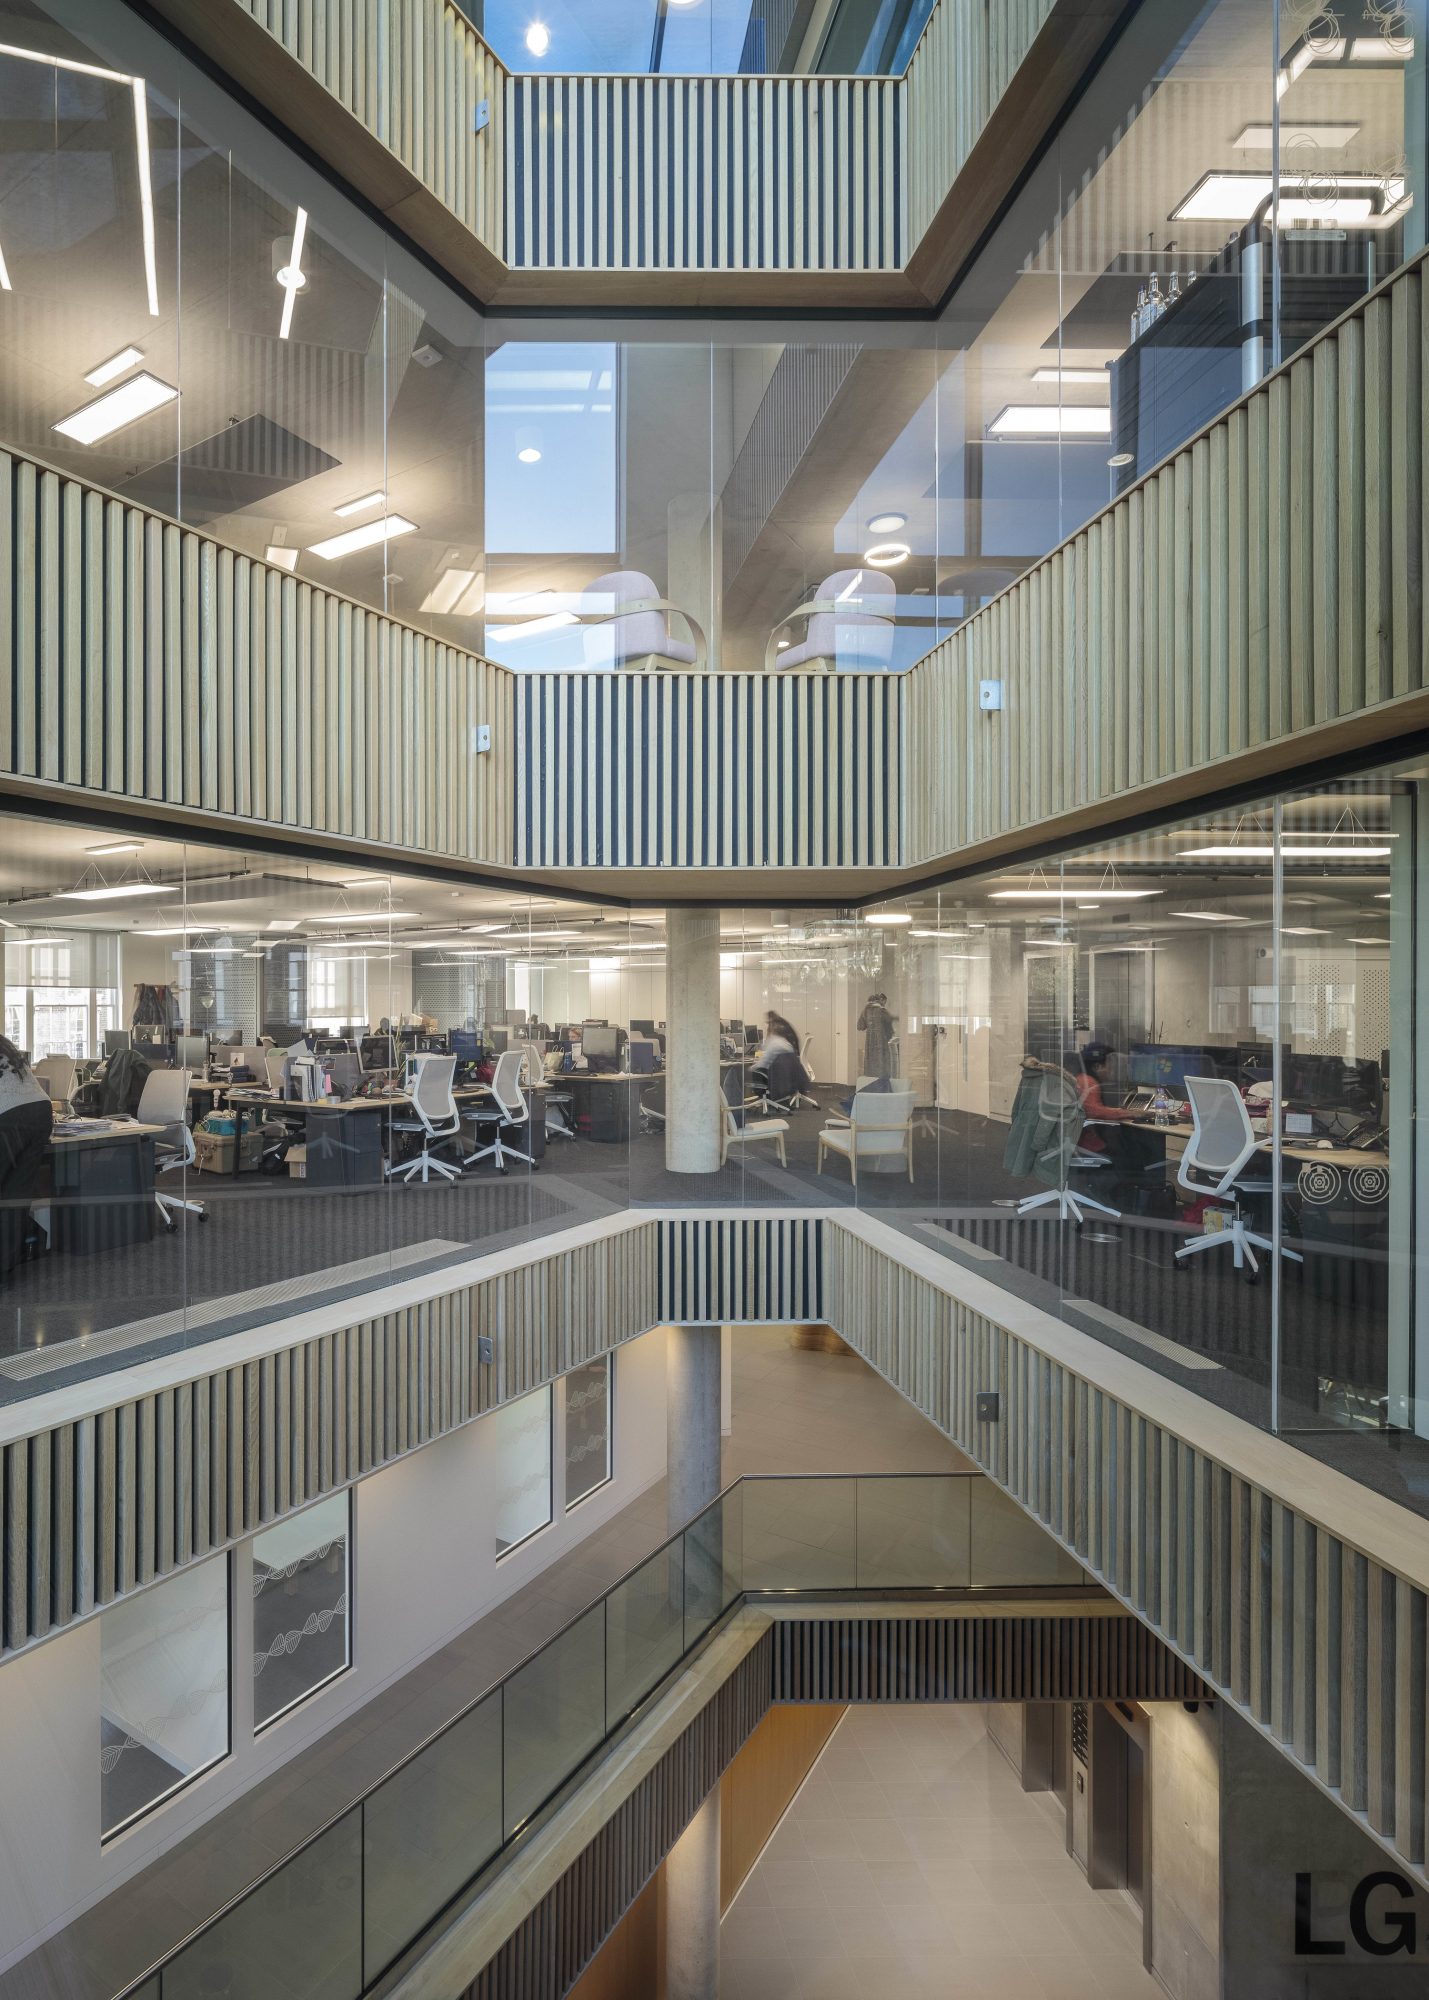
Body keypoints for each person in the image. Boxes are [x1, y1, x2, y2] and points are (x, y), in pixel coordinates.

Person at [0, 1036, 54, 1276]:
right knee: (15, 1196)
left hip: (8, 1117)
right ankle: (4, 1270)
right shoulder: (5, 1046)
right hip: (40, 1111)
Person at [1073, 1044, 1161, 1176]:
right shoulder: (1089, 1082)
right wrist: (1131, 1113)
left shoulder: (1080, 1078)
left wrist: (1120, 1112)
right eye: (1109, 1066)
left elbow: (1092, 1108)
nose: (1112, 1071)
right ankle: (1139, 1184)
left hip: (1079, 1141)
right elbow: (1094, 1112)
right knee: (1136, 1151)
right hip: (1089, 1144)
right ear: (1097, 1067)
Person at [857, 993, 896, 1079]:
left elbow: (860, 1026)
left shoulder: (865, 1011)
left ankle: (871, 1083)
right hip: (881, 1042)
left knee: (870, 1064)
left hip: (870, 1044)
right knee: (882, 1063)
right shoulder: (882, 1011)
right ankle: (882, 1083)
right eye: (884, 1002)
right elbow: (890, 1027)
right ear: (881, 1001)